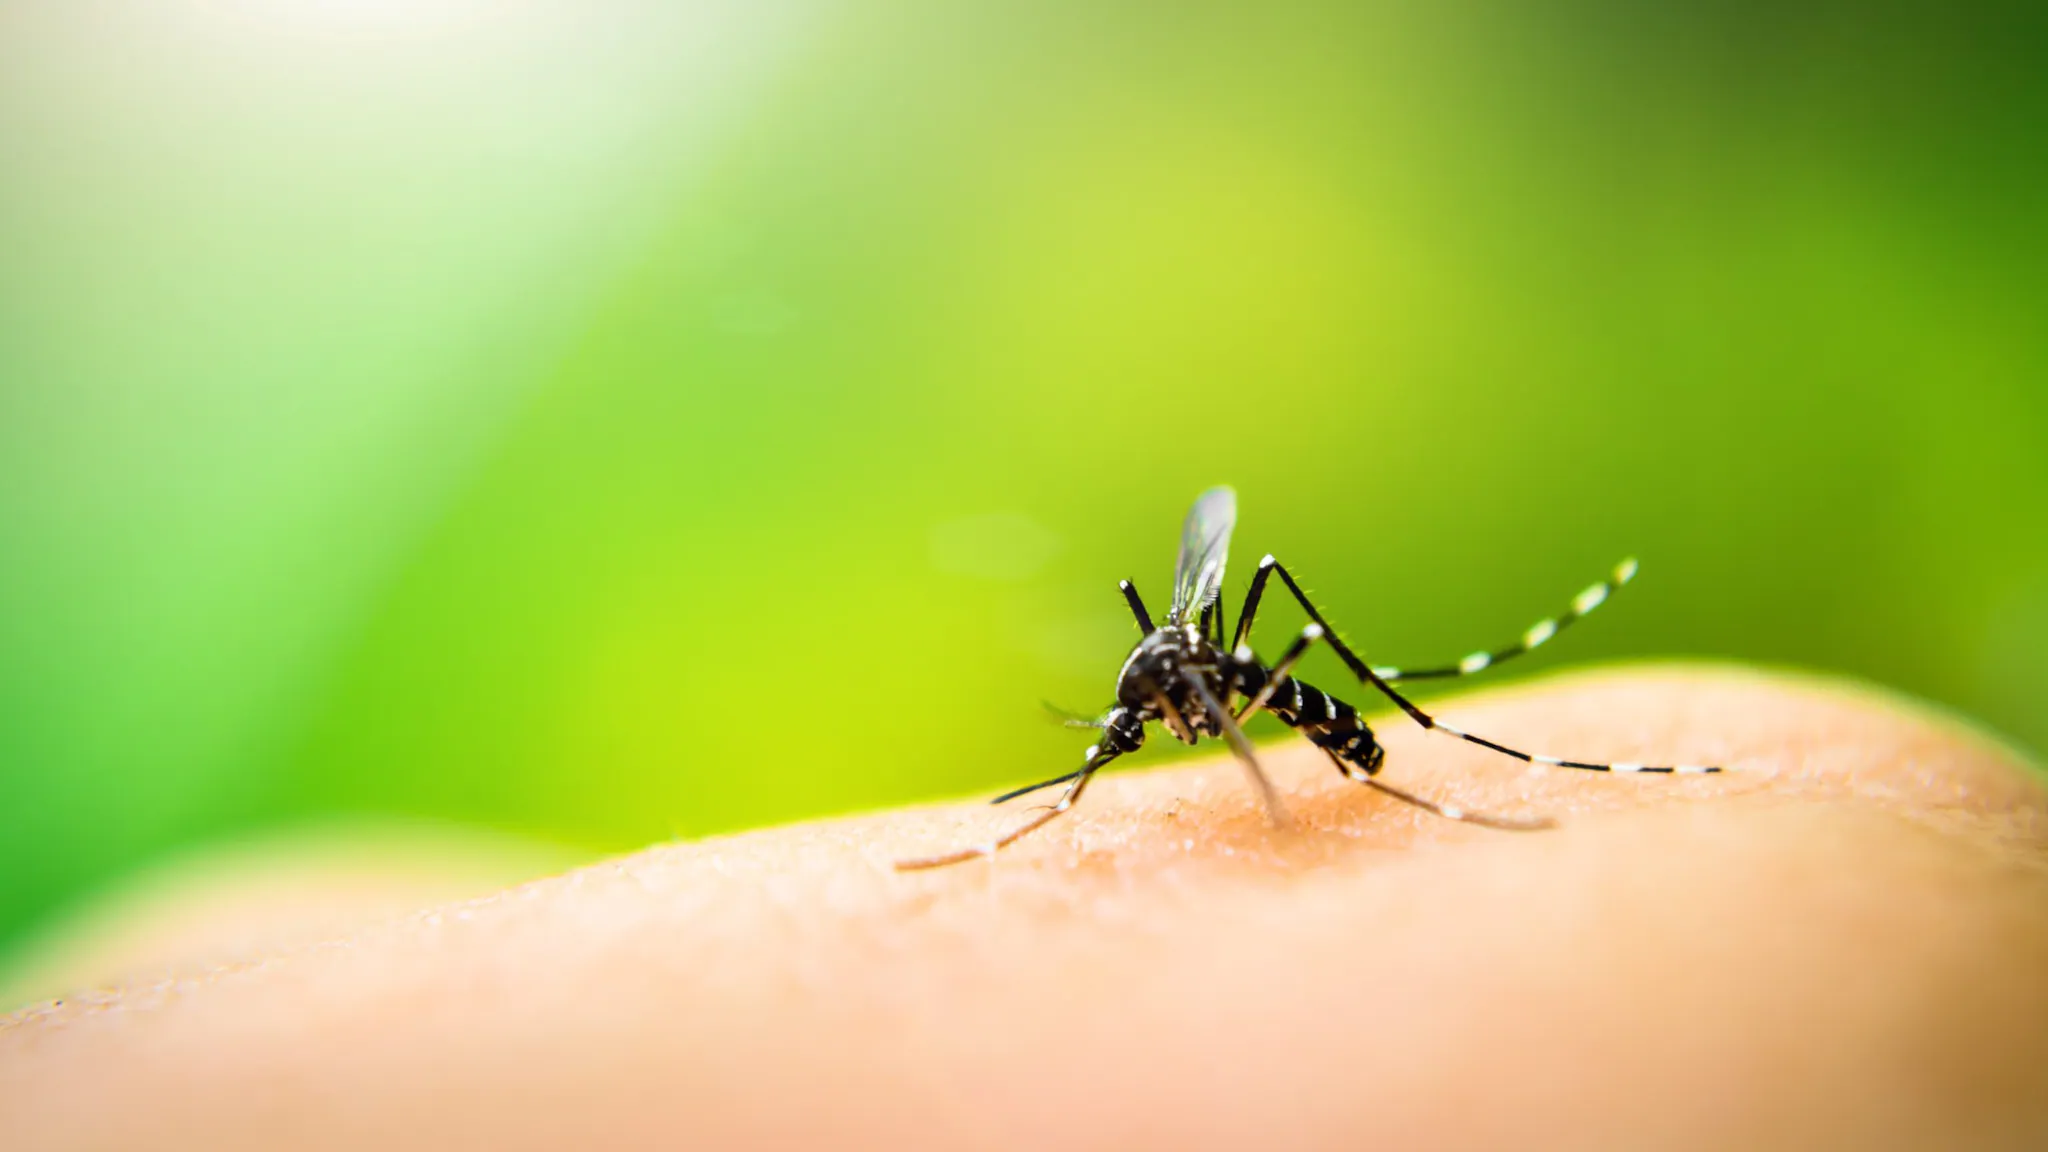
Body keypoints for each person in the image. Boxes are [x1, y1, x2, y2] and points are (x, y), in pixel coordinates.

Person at [4, 666, 2045, 1149]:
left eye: (1131, 728)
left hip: (1360, 738)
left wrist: (1311, 753)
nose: (1136, 727)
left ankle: (1420, 754)